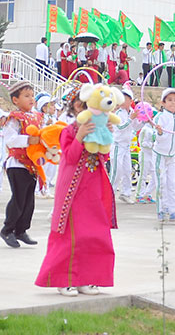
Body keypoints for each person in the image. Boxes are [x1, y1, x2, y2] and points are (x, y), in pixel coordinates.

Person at [34, 101, 117, 297]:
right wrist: (80, 136)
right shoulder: (68, 131)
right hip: (74, 190)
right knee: (71, 235)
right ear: (76, 108)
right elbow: (70, 157)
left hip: (93, 187)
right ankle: (64, 280)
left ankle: (88, 279)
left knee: (95, 234)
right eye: (82, 106)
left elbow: (104, 157)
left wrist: (106, 135)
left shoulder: (98, 128)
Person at [0, 81, 40, 248]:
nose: (31, 99)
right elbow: (9, 139)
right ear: (15, 100)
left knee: (29, 200)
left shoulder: (37, 117)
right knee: (18, 198)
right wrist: (28, 140)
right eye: (26, 96)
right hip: (17, 164)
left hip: (32, 164)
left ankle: (21, 230)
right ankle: (7, 229)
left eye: (32, 95)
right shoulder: (15, 118)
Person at [153, 88, 175, 223]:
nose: (173, 103)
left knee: (173, 182)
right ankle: (161, 209)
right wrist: (160, 133)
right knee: (161, 182)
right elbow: (154, 136)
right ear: (163, 103)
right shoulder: (160, 117)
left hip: (172, 154)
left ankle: (173, 210)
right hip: (160, 154)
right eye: (169, 100)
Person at [110, 88, 137, 204]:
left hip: (126, 146)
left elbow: (135, 127)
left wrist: (145, 120)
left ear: (130, 100)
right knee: (117, 170)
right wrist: (131, 119)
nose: (122, 101)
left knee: (127, 170)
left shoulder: (131, 112)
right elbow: (120, 127)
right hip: (117, 146)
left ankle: (126, 193)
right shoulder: (118, 113)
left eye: (125, 98)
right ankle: (109, 193)